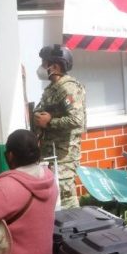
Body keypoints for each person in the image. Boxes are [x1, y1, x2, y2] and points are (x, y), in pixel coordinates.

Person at [33, 44, 86, 209]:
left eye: (44, 63)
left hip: (64, 157)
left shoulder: (68, 88)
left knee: (66, 199)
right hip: (50, 154)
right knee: (54, 201)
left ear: (54, 66)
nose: (41, 67)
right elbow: (39, 113)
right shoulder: (51, 90)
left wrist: (49, 122)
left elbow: (77, 119)